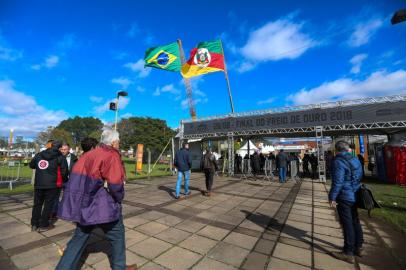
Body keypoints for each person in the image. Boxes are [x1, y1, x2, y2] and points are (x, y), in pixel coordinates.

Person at [56, 129, 136, 270]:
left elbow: (75, 179)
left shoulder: (88, 155)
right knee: (117, 236)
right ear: (113, 142)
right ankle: (119, 267)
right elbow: (115, 184)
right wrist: (119, 198)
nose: (119, 144)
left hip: (85, 205)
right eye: (118, 141)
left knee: (79, 238)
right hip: (103, 205)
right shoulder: (111, 155)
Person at [329, 141, 364, 264]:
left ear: (337, 150)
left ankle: (348, 252)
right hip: (355, 193)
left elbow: (338, 181)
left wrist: (332, 197)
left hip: (344, 196)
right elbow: (360, 175)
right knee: (355, 220)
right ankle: (359, 247)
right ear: (347, 148)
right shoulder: (355, 159)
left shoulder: (338, 161)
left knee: (347, 223)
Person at [30, 141, 68, 232]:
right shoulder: (60, 157)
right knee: (48, 205)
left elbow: (32, 165)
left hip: (39, 184)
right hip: (52, 184)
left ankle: (34, 224)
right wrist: (64, 179)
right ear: (59, 148)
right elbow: (64, 171)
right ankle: (43, 225)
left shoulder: (39, 155)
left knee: (37, 204)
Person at [50, 142, 79, 221]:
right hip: (58, 180)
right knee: (56, 197)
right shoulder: (56, 157)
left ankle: (67, 212)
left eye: (65, 149)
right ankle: (54, 212)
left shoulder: (74, 157)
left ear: (69, 149)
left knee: (68, 197)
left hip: (69, 180)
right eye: (62, 149)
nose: (63, 151)